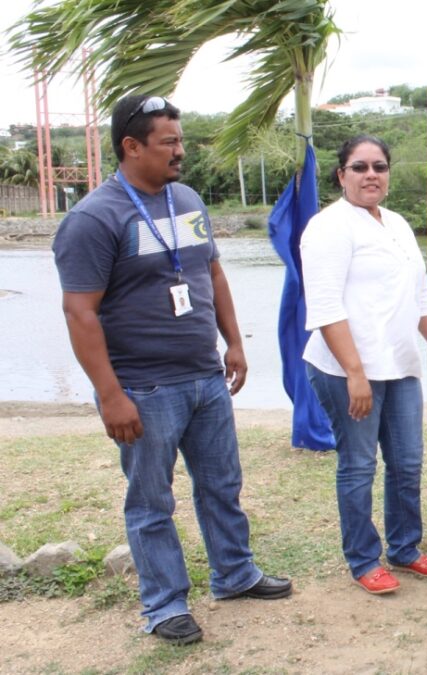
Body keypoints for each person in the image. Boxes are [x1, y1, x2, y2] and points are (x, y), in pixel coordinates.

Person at [52, 95, 292, 646]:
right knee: (152, 500)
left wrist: (233, 343)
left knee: (221, 485)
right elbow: (79, 311)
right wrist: (110, 395)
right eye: (169, 142)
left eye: (180, 140)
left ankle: (235, 574)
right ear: (131, 147)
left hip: (205, 377)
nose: (180, 151)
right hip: (144, 386)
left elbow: (212, 274)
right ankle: (164, 606)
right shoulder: (93, 218)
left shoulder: (185, 199)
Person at [301, 134, 427, 595]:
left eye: (378, 166)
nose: (370, 174)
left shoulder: (395, 223)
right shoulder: (328, 227)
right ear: (342, 175)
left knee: (407, 462)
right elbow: (325, 307)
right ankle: (362, 559)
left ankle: (405, 548)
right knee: (358, 465)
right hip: (346, 370)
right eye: (359, 167)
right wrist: (356, 373)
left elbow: (418, 298)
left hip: (400, 365)